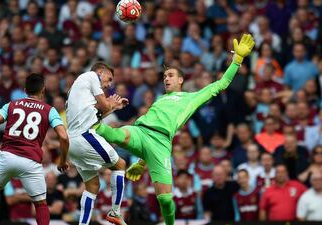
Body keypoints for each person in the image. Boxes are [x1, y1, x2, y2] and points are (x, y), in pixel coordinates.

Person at [94, 34, 255, 225]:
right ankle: (88, 122)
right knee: (113, 132)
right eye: (164, 76)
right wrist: (141, 160)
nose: (166, 79)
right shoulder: (160, 99)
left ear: (181, 80)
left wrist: (237, 60)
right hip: (141, 132)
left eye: (170, 76)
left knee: (165, 200)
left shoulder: (191, 98)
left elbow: (221, 84)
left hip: (161, 144)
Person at [0, 73, 69, 225]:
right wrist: (62, 161)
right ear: (43, 90)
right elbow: (63, 137)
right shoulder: (50, 110)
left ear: (24, 89)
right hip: (31, 161)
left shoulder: (11, 105)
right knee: (41, 204)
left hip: (7, 157)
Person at [66, 62, 128, 225]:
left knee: (92, 185)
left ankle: (83, 224)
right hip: (84, 136)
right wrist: (111, 104)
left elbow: (96, 118)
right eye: (108, 79)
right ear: (100, 72)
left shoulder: (79, 95)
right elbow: (105, 105)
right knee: (120, 165)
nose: (109, 84)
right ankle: (115, 212)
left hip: (72, 142)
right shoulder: (91, 76)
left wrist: (113, 108)